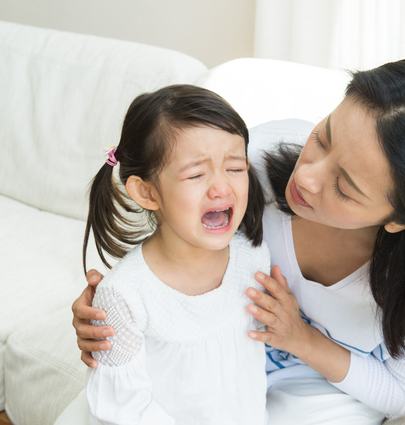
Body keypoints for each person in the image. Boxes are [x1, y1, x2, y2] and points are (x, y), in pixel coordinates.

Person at [66, 58, 405, 424]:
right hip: (208, 364)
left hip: (318, 382)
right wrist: (113, 315)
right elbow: (169, 227)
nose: (305, 177)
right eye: (322, 138)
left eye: (345, 188)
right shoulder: (250, 165)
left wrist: (303, 340)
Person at [81, 84, 272, 425]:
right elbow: (122, 410)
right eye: (196, 174)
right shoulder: (124, 295)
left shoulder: (253, 256)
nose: (221, 188)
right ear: (147, 192)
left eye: (235, 168)